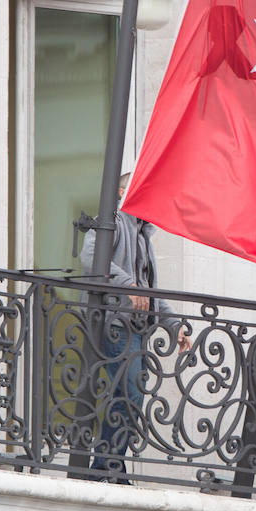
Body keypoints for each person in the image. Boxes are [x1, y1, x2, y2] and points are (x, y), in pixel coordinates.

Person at [78, 171, 191, 481]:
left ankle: (110, 465)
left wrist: (175, 326)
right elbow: (89, 257)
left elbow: (150, 292)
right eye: (138, 189)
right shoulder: (112, 219)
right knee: (128, 393)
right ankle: (106, 467)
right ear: (121, 190)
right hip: (115, 323)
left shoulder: (143, 234)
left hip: (136, 328)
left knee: (132, 396)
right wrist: (128, 284)